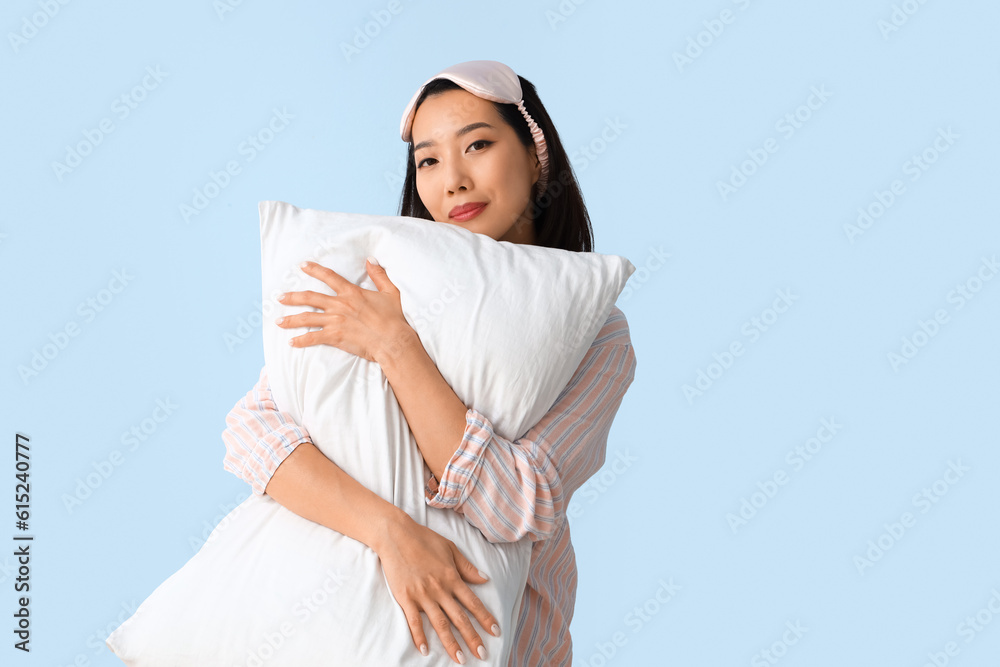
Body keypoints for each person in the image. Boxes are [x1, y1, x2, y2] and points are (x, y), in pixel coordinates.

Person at [221, 60, 637, 667]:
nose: (454, 180)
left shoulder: (596, 333)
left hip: (505, 637)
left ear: (536, 154)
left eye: (478, 145)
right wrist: (392, 535)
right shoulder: (380, 279)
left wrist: (396, 347)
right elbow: (253, 431)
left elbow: (517, 506)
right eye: (429, 160)